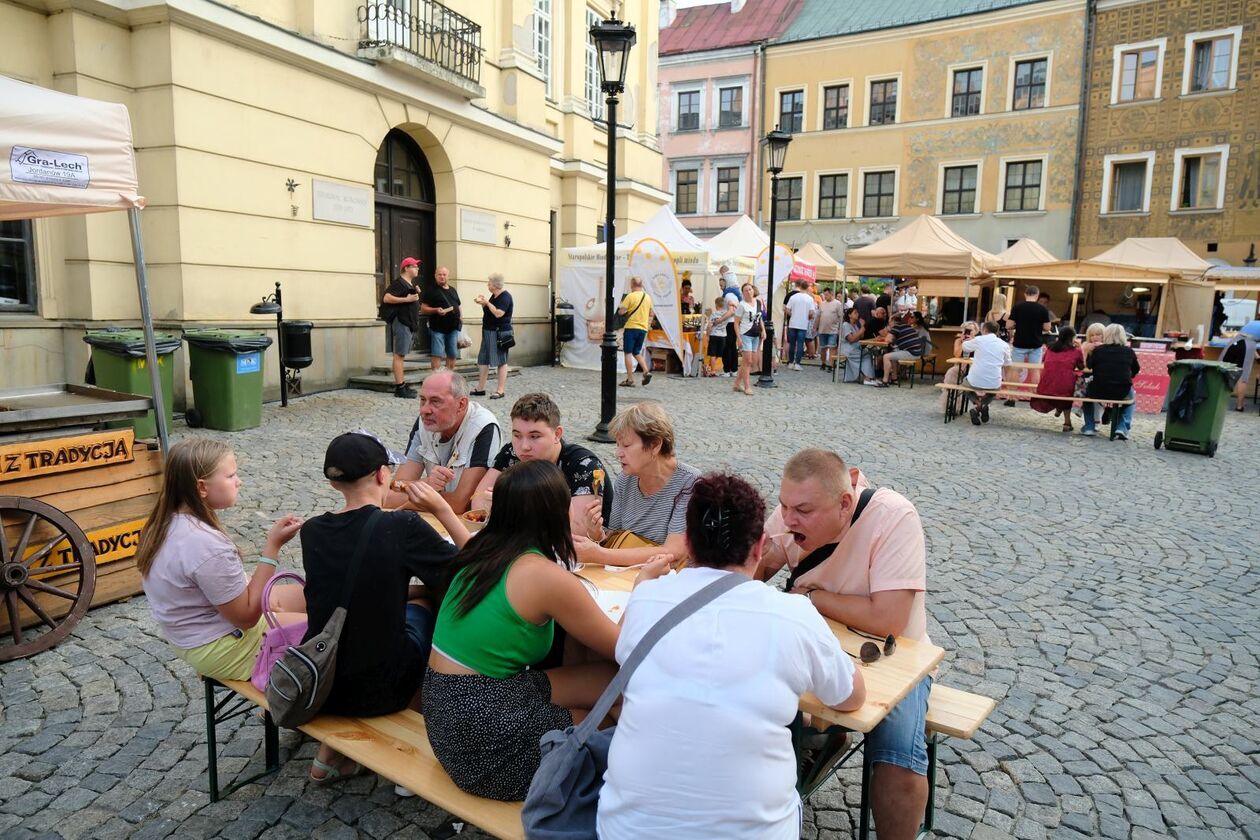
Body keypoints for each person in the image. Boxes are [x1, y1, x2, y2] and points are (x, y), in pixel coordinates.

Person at [597, 473, 865, 839]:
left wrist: (643, 586)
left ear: (688, 544)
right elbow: (851, 696)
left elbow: (622, 651)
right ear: (760, 547)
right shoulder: (793, 615)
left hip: (626, 830)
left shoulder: (647, 598)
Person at [422, 461, 621, 801]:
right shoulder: (543, 575)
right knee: (605, 719)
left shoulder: (481, 551)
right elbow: (624, 647)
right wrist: (644, 588)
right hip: (484, 740)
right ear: (557, 512)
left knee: (607, 681)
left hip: (445, 712)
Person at [759, 448, 932, 840]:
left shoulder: (892, 516)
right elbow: (748, 577)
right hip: (811, 648)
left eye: (802, 511)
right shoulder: (792, 512)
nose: (788, 519)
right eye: (784, 506)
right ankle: (810, 750)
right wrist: (751, 554)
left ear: (844, 503)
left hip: (894, 658)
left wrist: (811, 598)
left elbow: (888, 620)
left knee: (897, 762)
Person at [300, 432, 466, 784]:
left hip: (325, 679)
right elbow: (471, 572)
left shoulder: (312, 531)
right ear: (381, 475)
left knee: (416, 600)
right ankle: (421, 737)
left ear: (333, 483)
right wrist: (442, 509)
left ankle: (335, 753)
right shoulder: (402, 527)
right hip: (378, 688)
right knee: (429, 613)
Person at [137, 439, 306, 681]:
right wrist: (273, 547)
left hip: (194, 636)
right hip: (223, 646)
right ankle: (283, 700)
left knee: (315, 594)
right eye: (231, 476)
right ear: (202, 487)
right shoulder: (206, 544)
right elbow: (246, 618)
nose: (239, 481)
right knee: (332, 632)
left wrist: (268, 603)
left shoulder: (161, 525)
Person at [573, 401, 700, 567]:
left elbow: (673, 552)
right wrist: (597, 534)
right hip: (629, 578)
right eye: (617, 445)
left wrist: (599, 554)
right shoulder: (625, 481)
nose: (618, 453)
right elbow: (617, 540)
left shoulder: (690, 483)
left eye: (626, 445)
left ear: (655, 444)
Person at [470, 392, 613, 537]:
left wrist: (507, 507)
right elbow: (477, 502)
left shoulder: (583, 464)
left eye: (534, 436)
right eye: (517, 435)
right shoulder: (512, 453)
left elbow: (579, 530)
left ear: (557, 434)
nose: (524, 446)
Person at [388, 370, 501, 514]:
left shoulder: (483, 427)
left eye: (435, 401)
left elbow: (461, 504)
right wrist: (426, 484)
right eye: (422, 400)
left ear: (461, 404)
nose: (425, 410)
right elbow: (394, 489)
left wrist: (413, 493)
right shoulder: (424, 423)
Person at [1082, 323, 1139, 439]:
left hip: (1099, 388)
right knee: (1130, 399)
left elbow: (1088, 366)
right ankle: (1122, 427)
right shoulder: (1129, 351)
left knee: (1087, 397)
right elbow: (1135, 370)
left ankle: (1089, 426)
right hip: (1121, 390)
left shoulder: (1098, 351)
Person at [380, 257, 422, 398]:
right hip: (402, 322)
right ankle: (400, 388)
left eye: (417, 266)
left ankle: (402, 385)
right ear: (406, 268)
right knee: (399, 355)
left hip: (408, 323)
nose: (417, 268)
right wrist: (407, 299)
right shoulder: (399, 283)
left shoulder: (408, 284)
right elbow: (387, 298)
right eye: (415, 266)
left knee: (401, 354)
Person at [1030, 326, 1084, 431]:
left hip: (1046, 385)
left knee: (1059, 388)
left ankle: (1059, 409)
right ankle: (1067, 423)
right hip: (1064, 386)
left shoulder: (1050, 348)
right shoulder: (1075, 351)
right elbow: (1081, 366)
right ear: (1072, 338)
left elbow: (1044, 360)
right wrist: (1080, 348)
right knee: (1066, 390)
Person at [472, 273, 512, 400]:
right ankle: (481, 388)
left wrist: (487, 303)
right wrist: (483, 303)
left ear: (495, 285)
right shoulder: (494, 296)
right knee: (483, 359)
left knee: (501, 360)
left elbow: (498, 313)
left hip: (499, 332)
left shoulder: (505, 296)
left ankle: (500, 390)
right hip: (488, 331)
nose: (488, 285)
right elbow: (490, 311)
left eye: (489, 283)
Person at [962, 321, 1011, 425]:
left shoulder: (979, 340)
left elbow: (965, 347)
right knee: (993, 390)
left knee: (964, 385)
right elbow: (1007, 363)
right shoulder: (1004, 344)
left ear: (984, 330)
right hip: (994, 381)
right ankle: (983, 405)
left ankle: (977, 405)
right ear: (997, 332)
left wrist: (969, 338)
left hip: (974, 380)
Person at [1006, 285, 1052, 386]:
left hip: (1019, 343)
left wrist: (1017, 325)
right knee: (1035, 370)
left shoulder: (1017, 307)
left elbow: (1008, 325)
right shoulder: (1042, 309)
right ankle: (1033, 394)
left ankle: (1012, 396)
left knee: (1015, 369)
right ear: (1037, 295)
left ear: (1025, 294)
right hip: (1036, 344)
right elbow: (1048, 328)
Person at [420, 266, 462, 371]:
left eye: (444, 274)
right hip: (437, 328)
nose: (442, 277)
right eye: (439, 274)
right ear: (435, 276)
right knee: (437, 354)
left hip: (453, 328)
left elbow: (459, 305)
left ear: (448, 276)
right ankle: (436, 379)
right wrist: (435, 310)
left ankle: (448, 379)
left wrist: (460, 319)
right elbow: (423, 309)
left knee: (452, 354)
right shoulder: (431, 290)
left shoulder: (453, 290)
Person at [618, 275, 653, 387]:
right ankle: (646, 371)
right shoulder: (647, 297)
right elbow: (651, 313)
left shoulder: (630, 296)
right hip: (642, 329)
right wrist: (647, 324)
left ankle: (630, 379)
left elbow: (621, 312)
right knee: (636, 351)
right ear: (642, 285)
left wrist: (620, 307)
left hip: (631, 327)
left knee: (628, 352)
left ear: (632, 285)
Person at [876, 311, 927, 387]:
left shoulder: (897, 327)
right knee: (893, 355)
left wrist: (888, 330)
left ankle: (885, 381)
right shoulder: (906, 326)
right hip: (916, 352)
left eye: (889, 322)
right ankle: (894, 378)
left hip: (911, 352)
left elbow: (888, 340)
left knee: (886, 356)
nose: (889, 324)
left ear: (893, 321)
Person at [938, 320, 979, 412]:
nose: (968, 332)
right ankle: (950, 404)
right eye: (966, 330)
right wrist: (963, 342)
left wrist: (971, 342)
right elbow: (956, 355)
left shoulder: (977, 341)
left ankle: (958, 405)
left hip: (974, 368)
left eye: (970, 330)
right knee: (951, 373)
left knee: (959, 378)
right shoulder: (958, 341)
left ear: (975, 332)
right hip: (959, 367)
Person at [732, 282, 764, 394]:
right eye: (746, 290)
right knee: (748, 361)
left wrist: (763, 330)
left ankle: (736, 384)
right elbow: (736, 322)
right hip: (746, 334)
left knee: (750, 361)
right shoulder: (742, 305)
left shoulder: (758, 302)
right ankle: (747, 386)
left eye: (750, 289)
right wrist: (738, 338)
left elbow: (760, 318)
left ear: (753, 290)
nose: (749, 292)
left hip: (755, 334)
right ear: (743, 293)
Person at [1221, 318, 1260, 410]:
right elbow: (1250, 342)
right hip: (1247, 345)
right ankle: (1239, 406)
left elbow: (1247, 337)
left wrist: (1257, 356)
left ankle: (1217, 401)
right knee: (1243, 377)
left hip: (1233, 343)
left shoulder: (1253, 323)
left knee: (1221, 370)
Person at [784, 280, 818, 370]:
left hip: (792, 323)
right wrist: (808, 317)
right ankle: (797, 364)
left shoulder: (793, 297)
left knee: (792, 344)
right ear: (807, 288)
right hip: (803, 324)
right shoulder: (809, 299)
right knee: (800, 344)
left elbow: (787, 310)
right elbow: (812, 312)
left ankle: (790, 362)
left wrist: (792, 314)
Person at [840, 305, 876, 383]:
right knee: (866, 355)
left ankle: (867, 377)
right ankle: (867, 377)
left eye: (857, 313)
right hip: (848, 350)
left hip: (855, 348)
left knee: (867, 354)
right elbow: (851, 339)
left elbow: (860, 336)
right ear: (849, 315)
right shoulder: (846, 325)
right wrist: (862, 329)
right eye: (855, 313)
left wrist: (862, 326)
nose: (857, 314)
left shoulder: (855, 325)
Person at [720, 267, 741, 378]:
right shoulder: (736, 294)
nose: (721, 287)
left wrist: (720, 319)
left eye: (722, 285)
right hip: (733, 323)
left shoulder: (729, 295)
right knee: (732, 347)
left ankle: (727, 370)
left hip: (729, 323)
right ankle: (734, 369)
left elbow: (732, 310)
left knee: (727, 347)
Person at [816, 287, 844, 372]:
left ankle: (831, 365)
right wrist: (815, 327)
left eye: (826, 295)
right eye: (824, 295)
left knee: (832, 348)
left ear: (831, 294)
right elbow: (818, 316)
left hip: (833, 330)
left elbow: (841, 317)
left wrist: (840, 328)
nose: (825, 296)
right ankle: (823, 363)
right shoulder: (822, 304)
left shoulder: (837, 304)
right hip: (822, 329)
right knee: (823, 348)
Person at [704, 296, 728, 376]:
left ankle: (712, 369)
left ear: (716, 305)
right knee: (719, 354)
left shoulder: (714, 314)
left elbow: (709, 325)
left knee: (713, 354)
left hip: (714, 335)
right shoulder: (726, 314)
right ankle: (709, 367)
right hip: (723, 336)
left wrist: (707, 335)